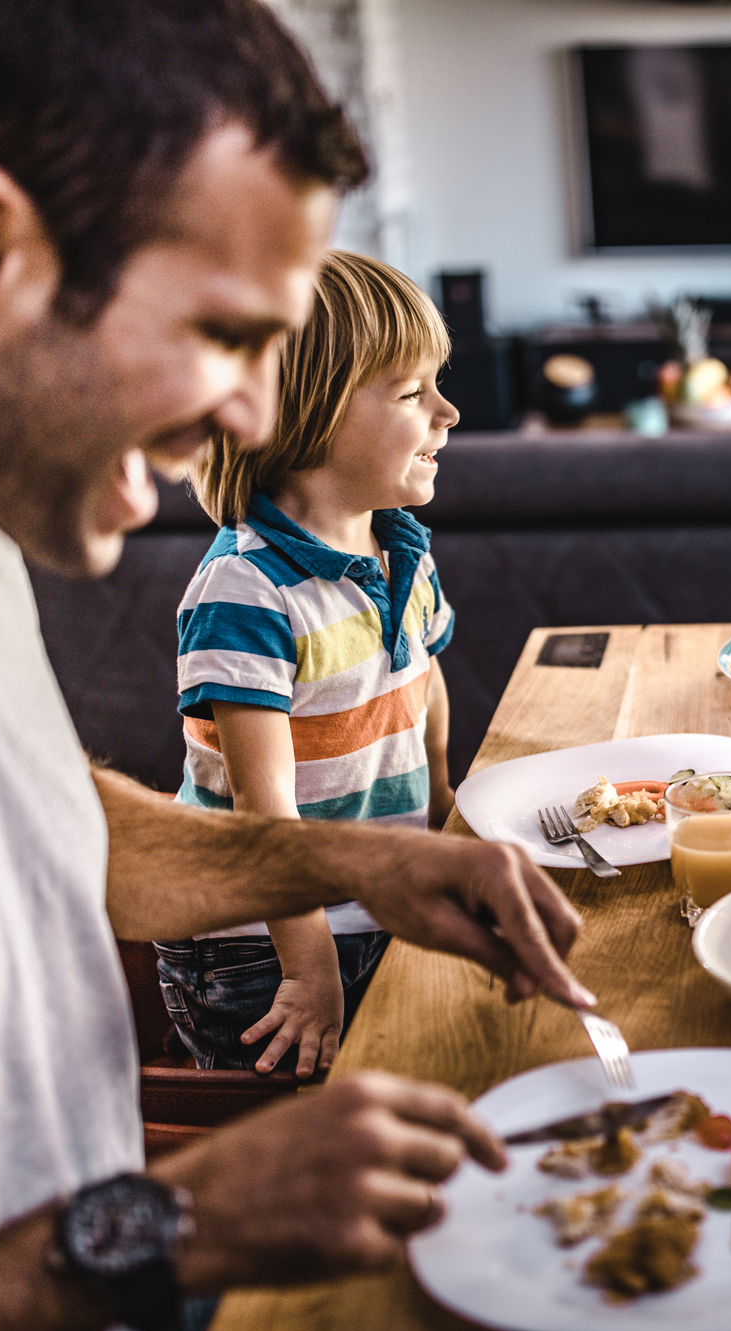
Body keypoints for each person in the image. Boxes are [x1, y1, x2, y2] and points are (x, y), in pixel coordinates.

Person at [0, 4, 597, 1331]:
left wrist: (355, 855)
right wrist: (174, 1224)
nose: (250, 417)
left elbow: (35, 818)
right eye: (222, 334)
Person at [162, 251, 461, 1077]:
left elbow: (420, 681)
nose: (449, 412)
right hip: (262, 946)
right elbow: (266, 807)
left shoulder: (399, 545)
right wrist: (308, 967)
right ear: (308, 415)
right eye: (411, 394)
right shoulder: (247, 588)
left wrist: (440, 810)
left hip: (369, 904)